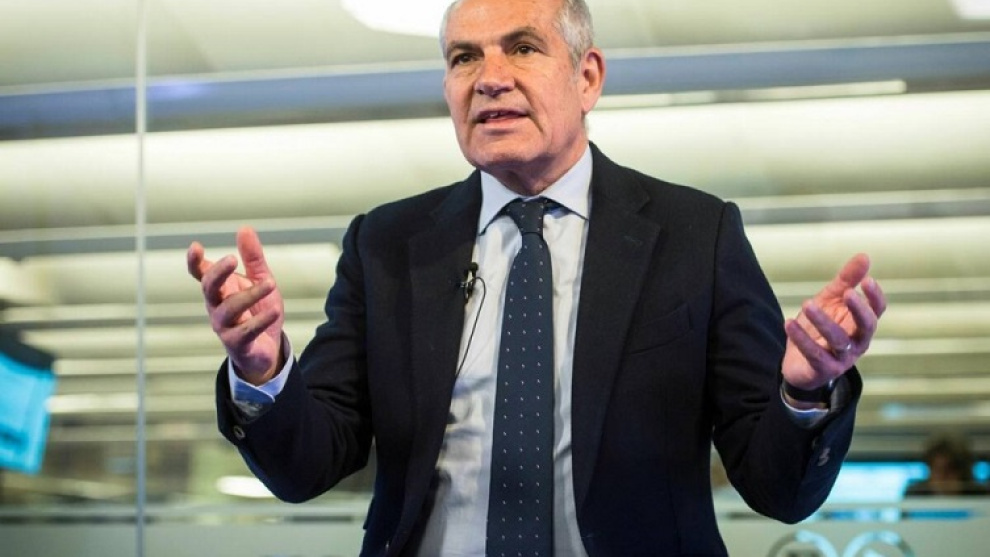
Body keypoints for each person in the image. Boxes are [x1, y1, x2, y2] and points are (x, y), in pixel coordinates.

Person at [186, 0, 887, 554]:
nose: (489, 77)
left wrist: (804, 391)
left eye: (522, 47)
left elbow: (778, 488)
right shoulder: (388, 245)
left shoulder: (695, 236)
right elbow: (308, 465)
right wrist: (263, 373)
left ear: (588, 78)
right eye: (464, 57)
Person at [905, 433, 989, 496]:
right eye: (938, 470)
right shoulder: (915, 496)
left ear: (963, 472)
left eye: (949, 469)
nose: (942, 477)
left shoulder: (980, 496)